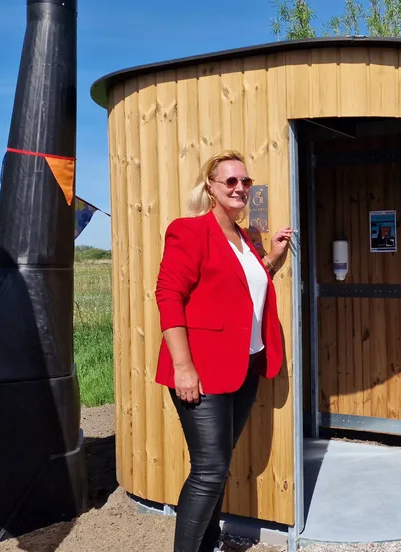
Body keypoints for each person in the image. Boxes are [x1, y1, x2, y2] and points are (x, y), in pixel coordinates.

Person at [154, 150, 294, 552]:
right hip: (202, 369)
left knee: (218, 466)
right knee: (210, 470)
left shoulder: (244, 237)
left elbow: (243, 285)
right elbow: (168, 296)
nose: (240, 188)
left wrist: (272, 258)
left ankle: (210, 543)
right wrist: (183, 368)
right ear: (211, 188)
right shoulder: (189, 231)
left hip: (244, 366)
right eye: (230, 181)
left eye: (245, 182)